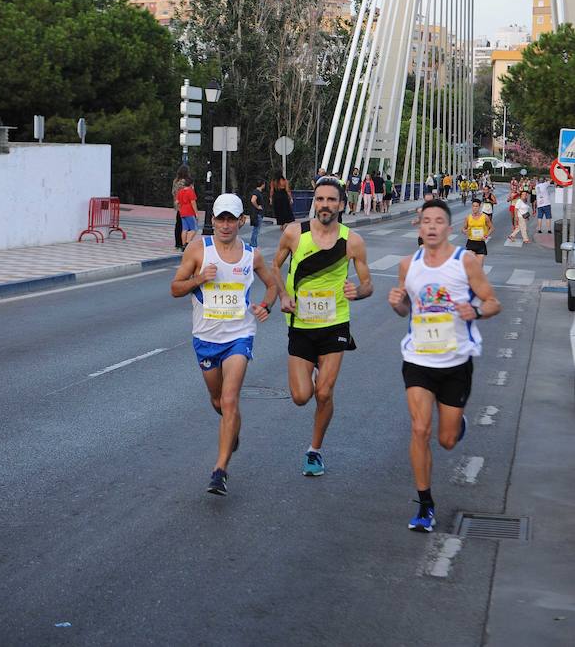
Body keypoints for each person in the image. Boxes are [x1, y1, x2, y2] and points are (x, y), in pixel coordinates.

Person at [388, 198, 501, 532]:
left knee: (446, 439)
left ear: (448, 228)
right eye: (427, 221)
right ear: (420, 227)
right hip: (418, 359)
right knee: (419, 429)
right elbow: (405, 309)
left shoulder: (465, 261)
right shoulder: (408, 264)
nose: (433, 226)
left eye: (439, 221)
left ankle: (457, 422)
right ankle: (425, 504)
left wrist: (476, 311)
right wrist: (398, 303)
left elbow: (493, 302)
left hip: (455, 361)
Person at [170, 193, 277, 496]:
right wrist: (199, 278)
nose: (226, 225)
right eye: (221, 219)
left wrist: (265, 306)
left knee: (230, 400)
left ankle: (220, 471)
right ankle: (233, 430)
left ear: (242, 221)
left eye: (232, 219)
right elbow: (175, 288)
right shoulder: (198, 249)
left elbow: (271, 285)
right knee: (217, 401)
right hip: (205, 339)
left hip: (239, 336)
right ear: (213, 220)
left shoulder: (251, 255)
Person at [272, 177, 373, 476]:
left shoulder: (352, 241)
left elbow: (368, 285)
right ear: (313, 202)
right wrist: (283, 294)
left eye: (331, 200)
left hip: (335, 323)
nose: (325, 205)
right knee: (302, 396)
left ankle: (314, 451)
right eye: (320, 200)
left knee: (324, 393)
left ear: (342, 205)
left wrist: (358, 291)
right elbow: (274, 266)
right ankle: (313, 367)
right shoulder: (294, 233)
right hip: (300, 323)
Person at [462, 197, 493, 264]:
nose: (474, 208)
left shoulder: (485, 217)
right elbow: (463, 229)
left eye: (476, 206)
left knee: (479, 266)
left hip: (481, 243)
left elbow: (492, 228)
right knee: (471, 264)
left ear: (479, 207)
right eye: (473, 206)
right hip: (471, 243)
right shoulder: (468, 217)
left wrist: (486, 235)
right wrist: (464, 231)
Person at [172, 164, 190, 250]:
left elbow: (173, 192)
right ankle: (184, 243)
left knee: (178, 224)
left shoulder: (175, 181)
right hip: (185, 205)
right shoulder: (186, 182)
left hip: (177, 204)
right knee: (186, 225)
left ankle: (177, 243)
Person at [176, 175, 198, 246]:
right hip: (189, 212)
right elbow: (193, 202)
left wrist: (180, 209)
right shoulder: (190, 191)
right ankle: (187, 243)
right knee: (194, 229)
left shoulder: (180, 191)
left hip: (182, 212)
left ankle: (183, 244)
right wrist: (196, 213)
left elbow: (177, 202)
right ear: (191, 184)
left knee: (184, 229)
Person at [248, 178, 266, 248]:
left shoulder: (258, 192)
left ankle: (253, 243)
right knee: (256, 230)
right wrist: (257, 207)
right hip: (257, 214)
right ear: (262, 184)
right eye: (264, 184)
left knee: (256, 230)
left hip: (258, 213)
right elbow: (253, 200)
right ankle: (253, 245)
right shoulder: (256, 192)